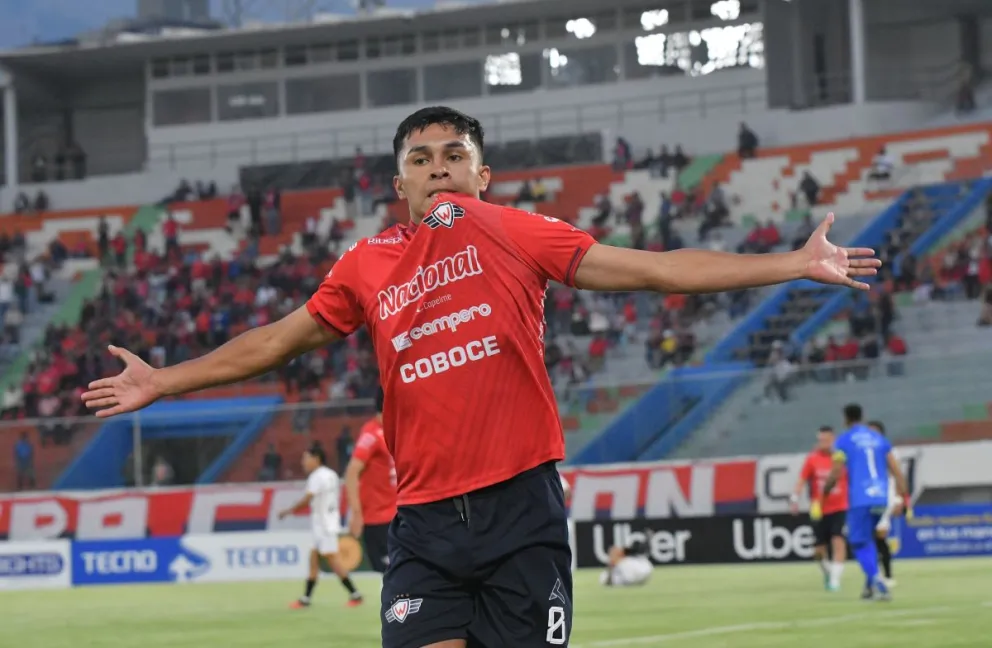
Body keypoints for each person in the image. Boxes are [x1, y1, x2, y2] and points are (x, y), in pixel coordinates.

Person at [81, 106, 878, 648]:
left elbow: (654, 269)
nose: (438, 169)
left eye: (454, 156)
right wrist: (166, 381)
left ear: (482, 176)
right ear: (400, 187)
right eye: (420, 160)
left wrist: (793, 264)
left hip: (520, 508)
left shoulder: (512, 231)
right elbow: (275, 342)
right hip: (422, 524)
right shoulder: (366, 264)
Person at [823, 405, 909, 602]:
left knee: (859, 543)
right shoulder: (879, 439)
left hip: (861, 498)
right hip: (881, 497)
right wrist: (903, 495)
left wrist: (826, 490)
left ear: (845, 419)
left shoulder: (843, 440)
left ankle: (878, 584)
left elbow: (836, 471)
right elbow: (895, 469)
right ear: (863, 417)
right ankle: (869, 587)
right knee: (870, 541)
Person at [278, 445, 363, 609]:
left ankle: (355, 594)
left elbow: (308, 499)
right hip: (328, 521)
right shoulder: (331, 474)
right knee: (313, 558)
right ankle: (306, 598)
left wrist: (288, 511)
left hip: (323, 524)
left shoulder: (317, 477)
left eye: (306, 458)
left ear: (316, 458)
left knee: (332, 559)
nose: (303, 462)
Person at [344, 387, 397, 573]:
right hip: (378, 518)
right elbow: (352, 472)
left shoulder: (396, 429)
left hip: (398, 514)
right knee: (389, 572)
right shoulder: (371, 433)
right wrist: (356, 513)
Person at [790, 425, 847, 591]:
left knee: (838, 540)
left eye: (827, 440)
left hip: (839, 506)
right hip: (819, 508)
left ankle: (836, 580)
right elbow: (802, 480)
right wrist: (795, 497)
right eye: (821, 440)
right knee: (818, 551)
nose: (824, 443)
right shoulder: (812, 459)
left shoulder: (841, 459)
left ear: (833, 440)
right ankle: (828, 572)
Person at [868, 420, 899, 588]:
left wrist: (899, 499)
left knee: (880, 536)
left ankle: (886, 575)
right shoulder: (863, 453)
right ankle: (874, 576)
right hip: (867, 499)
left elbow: (895, 476)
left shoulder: (888, 451)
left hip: (884, 498)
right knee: (870, 539)